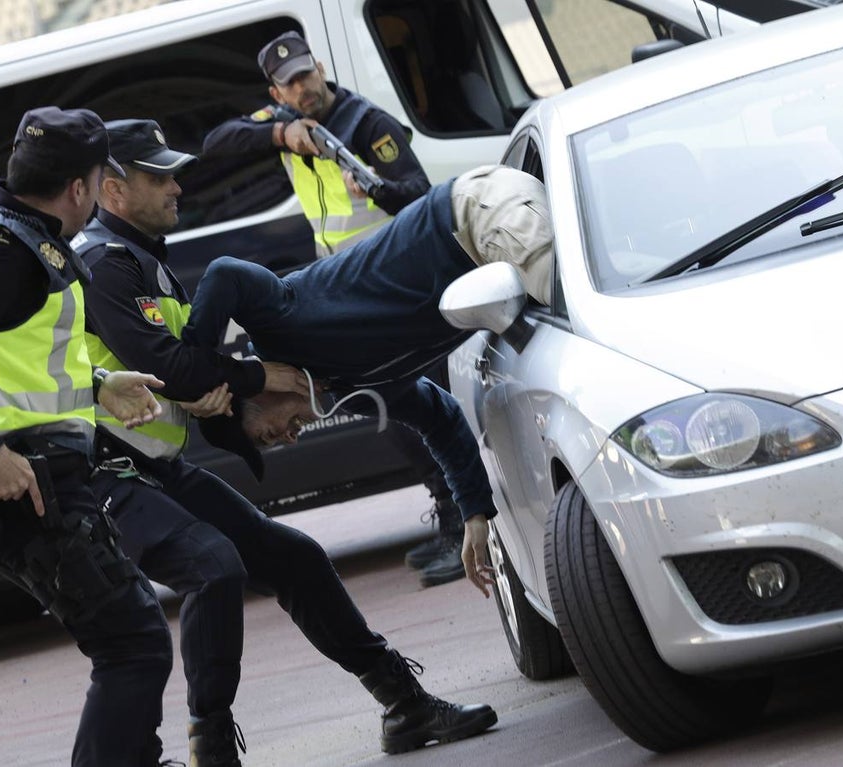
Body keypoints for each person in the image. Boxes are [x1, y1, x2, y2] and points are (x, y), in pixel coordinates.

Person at [74, 118, 499, 765]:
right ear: (112, 189)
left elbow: (191, 372)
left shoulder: (145, 262)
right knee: (213, 568)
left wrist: (475, 512)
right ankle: (210, 746)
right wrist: (250, 376)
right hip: (103, 474)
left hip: (155, 467)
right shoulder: (104, 263)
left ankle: (404, 702)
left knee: (295, 559)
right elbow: (183, 368)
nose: (176, 187)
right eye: (157, 176)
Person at [0, 106, 175, 767]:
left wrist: (97, 384)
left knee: (129, 634)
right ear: (80, 187)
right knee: (133, 643)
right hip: (12, 481)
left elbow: (3, 361)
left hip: (27, 465)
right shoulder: (4, 252)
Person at [181, 164, 554, 596]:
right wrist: (474, 515)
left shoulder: (277, 325)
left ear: (252, 394)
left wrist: (200, 370)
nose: (287, 439)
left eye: (267, 434)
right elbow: (440, 418)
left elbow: (224, 272)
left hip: (474, 217)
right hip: (489, 256)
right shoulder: (346, 392)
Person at [203, 29, 466, 586]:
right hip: (346, 296)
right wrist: (282, 134)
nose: (304, 88)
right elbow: (219, 142)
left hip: (393, 290)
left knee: (415, 402)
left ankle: (461, 522)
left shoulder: (365, 124)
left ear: (320, 67)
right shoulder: (285, 123)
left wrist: (374, 189)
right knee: (389, 412)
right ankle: (450, 514)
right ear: (275, 92)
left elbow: (420, 196)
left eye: (307, 74)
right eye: (290, 83)